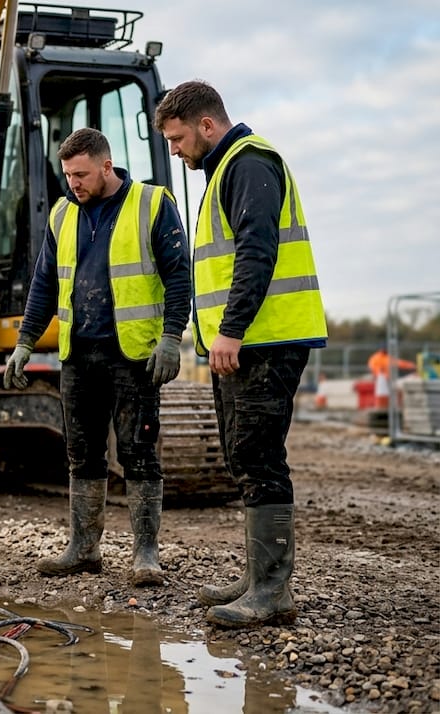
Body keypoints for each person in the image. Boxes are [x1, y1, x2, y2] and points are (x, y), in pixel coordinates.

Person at [154, 80, 327, 628]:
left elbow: (258, 252)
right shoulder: (224, 171)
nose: (175, 151)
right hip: (243, 342)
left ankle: (273, 591)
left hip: (266, 340)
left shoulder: (249, 164)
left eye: (179, 139)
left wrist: (230, 330)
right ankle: (258, 577)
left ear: (207, 125)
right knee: (241, 453)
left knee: (258, 454)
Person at [3, 127, 191, 587]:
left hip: (134, 355)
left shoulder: (151, 203)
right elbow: (44, 283)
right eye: (68, 175)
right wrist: (25, 341)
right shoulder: (64, 214)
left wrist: (171, 336)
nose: (74, 184)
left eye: (82, 175)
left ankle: (146, 554)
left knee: (138, 453)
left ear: (107, 166)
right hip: (79, 355)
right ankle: (83, 549)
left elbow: (178, 275)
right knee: (82, 454)